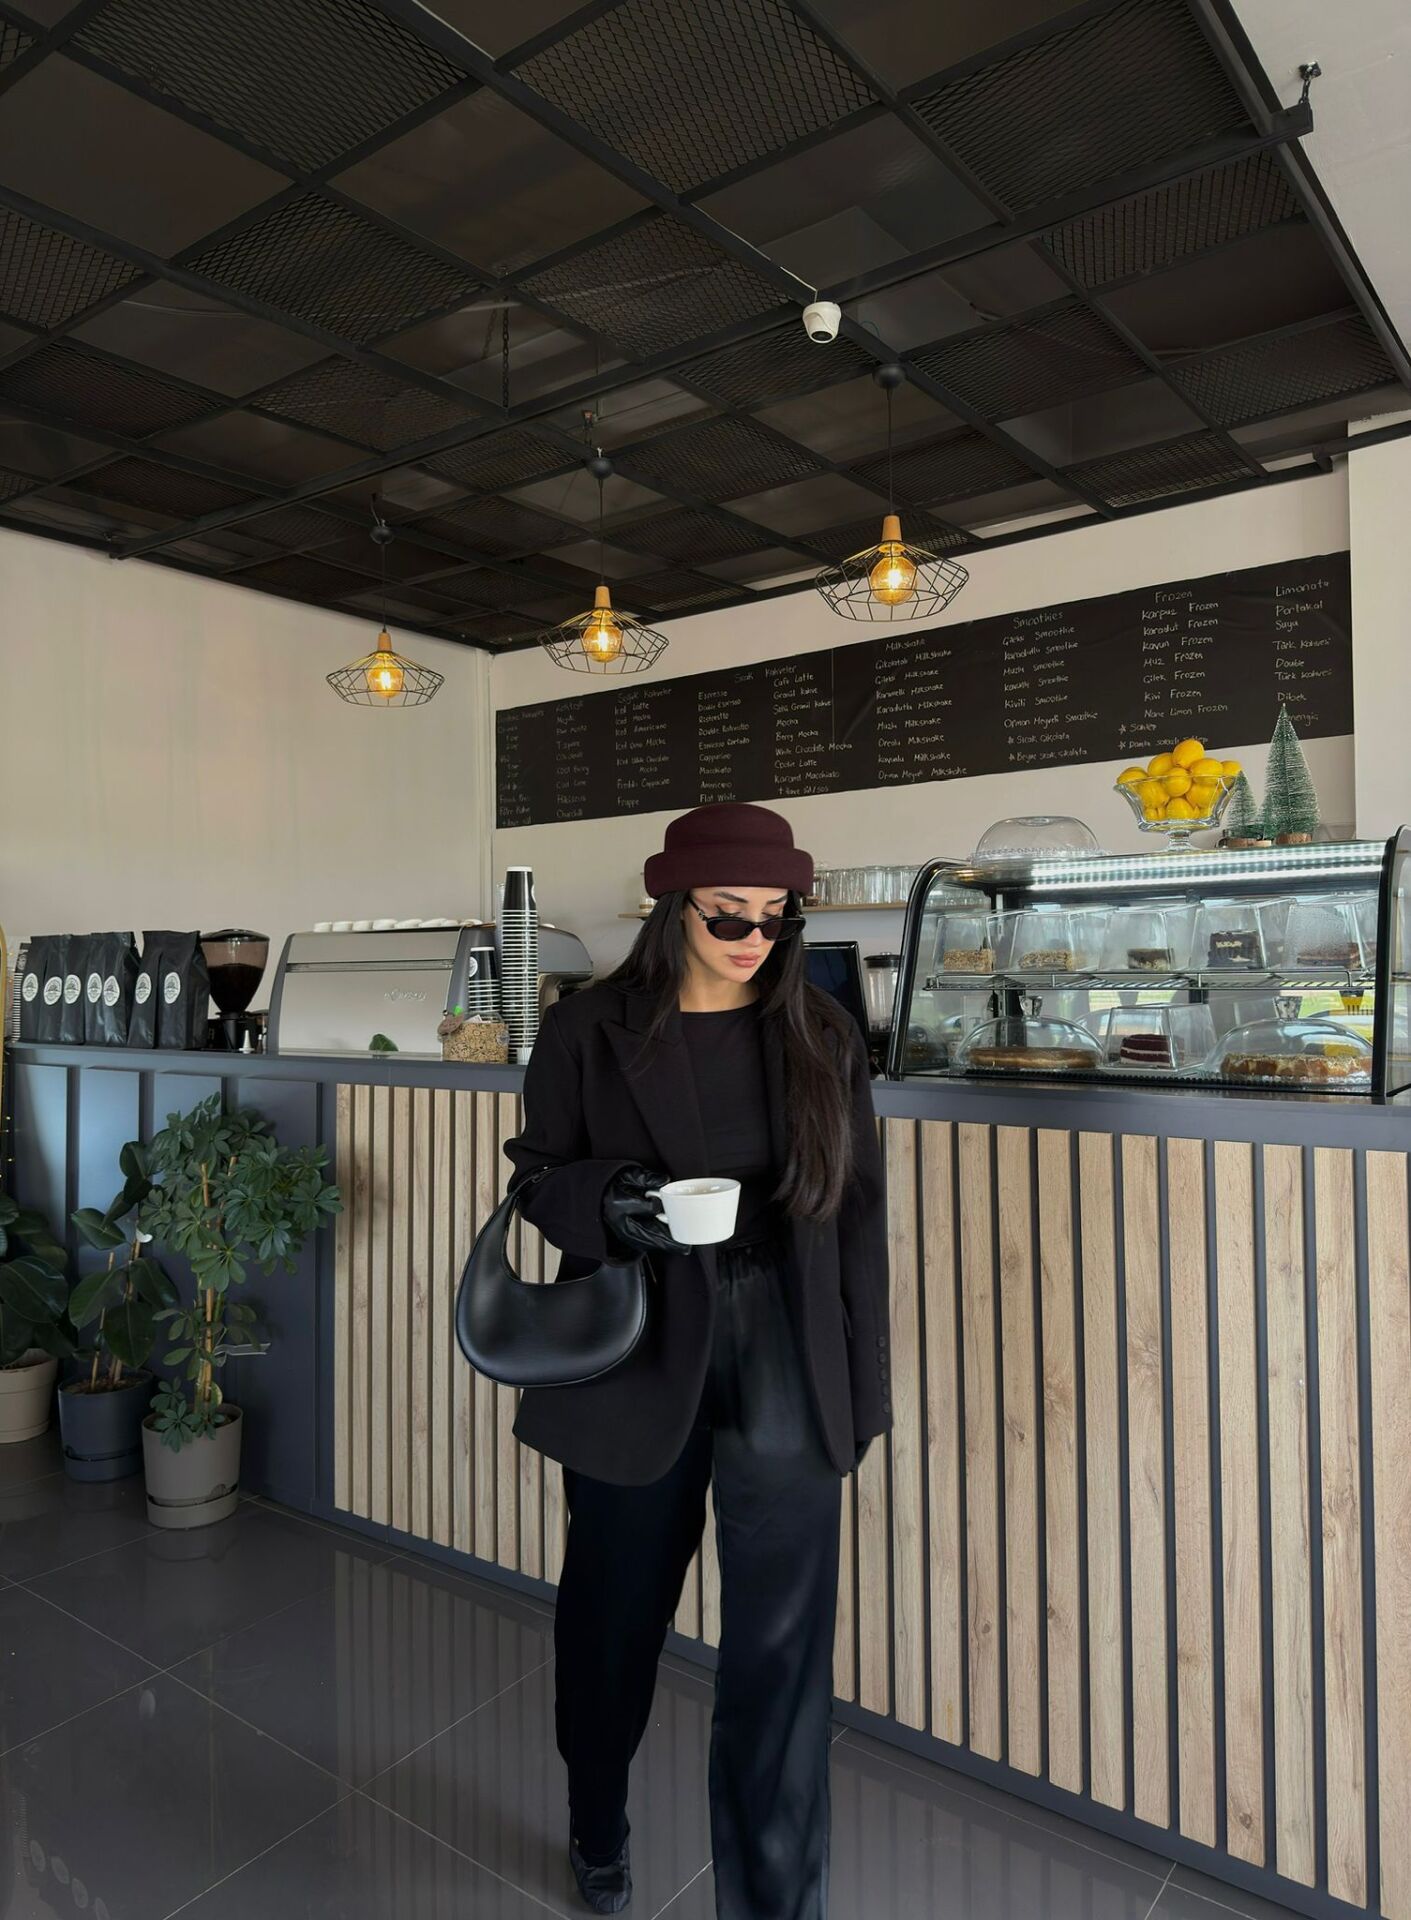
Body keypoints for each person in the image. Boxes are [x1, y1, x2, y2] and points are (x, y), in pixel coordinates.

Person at [505, 801, 892, 1919]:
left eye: (775, 918)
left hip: (786, 1346)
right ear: (672, 907)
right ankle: (596, 1818)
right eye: (730, 916)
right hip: (638, 1343)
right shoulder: (588, 1030)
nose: (754, 938)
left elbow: (857, 1220)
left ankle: (773, 1901)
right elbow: (538, 1178)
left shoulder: (822, 1033)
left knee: (781, 1658)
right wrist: (620, 1202)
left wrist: (859, 1393)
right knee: (612, 1618)